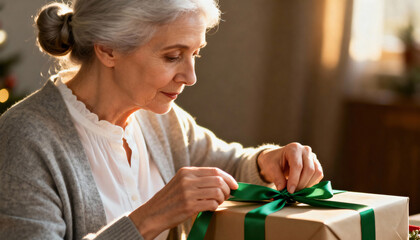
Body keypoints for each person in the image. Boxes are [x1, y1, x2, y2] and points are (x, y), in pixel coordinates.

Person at [0, 0, 323, 239]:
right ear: (108, 49)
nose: (191, 76)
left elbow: (230, 165)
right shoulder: (24, 140)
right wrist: (148, 219)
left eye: (195, 54)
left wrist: (269, 161)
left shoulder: (159, 121)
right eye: (172, 56)